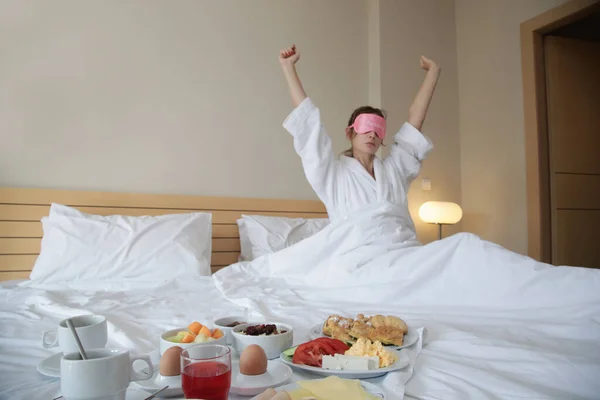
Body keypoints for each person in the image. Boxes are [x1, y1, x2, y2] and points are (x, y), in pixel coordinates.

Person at [279, 44, 441, 241]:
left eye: (377, 130)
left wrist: (433, 73)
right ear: (350, 133)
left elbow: (416, 120)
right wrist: (289, 68)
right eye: (365, 128)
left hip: (403, 250)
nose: (371, 134)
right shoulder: (333, 175)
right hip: (358, 254)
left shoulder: (394, 170)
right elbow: (309, 122)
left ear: (382, 138)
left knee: (465, 244)